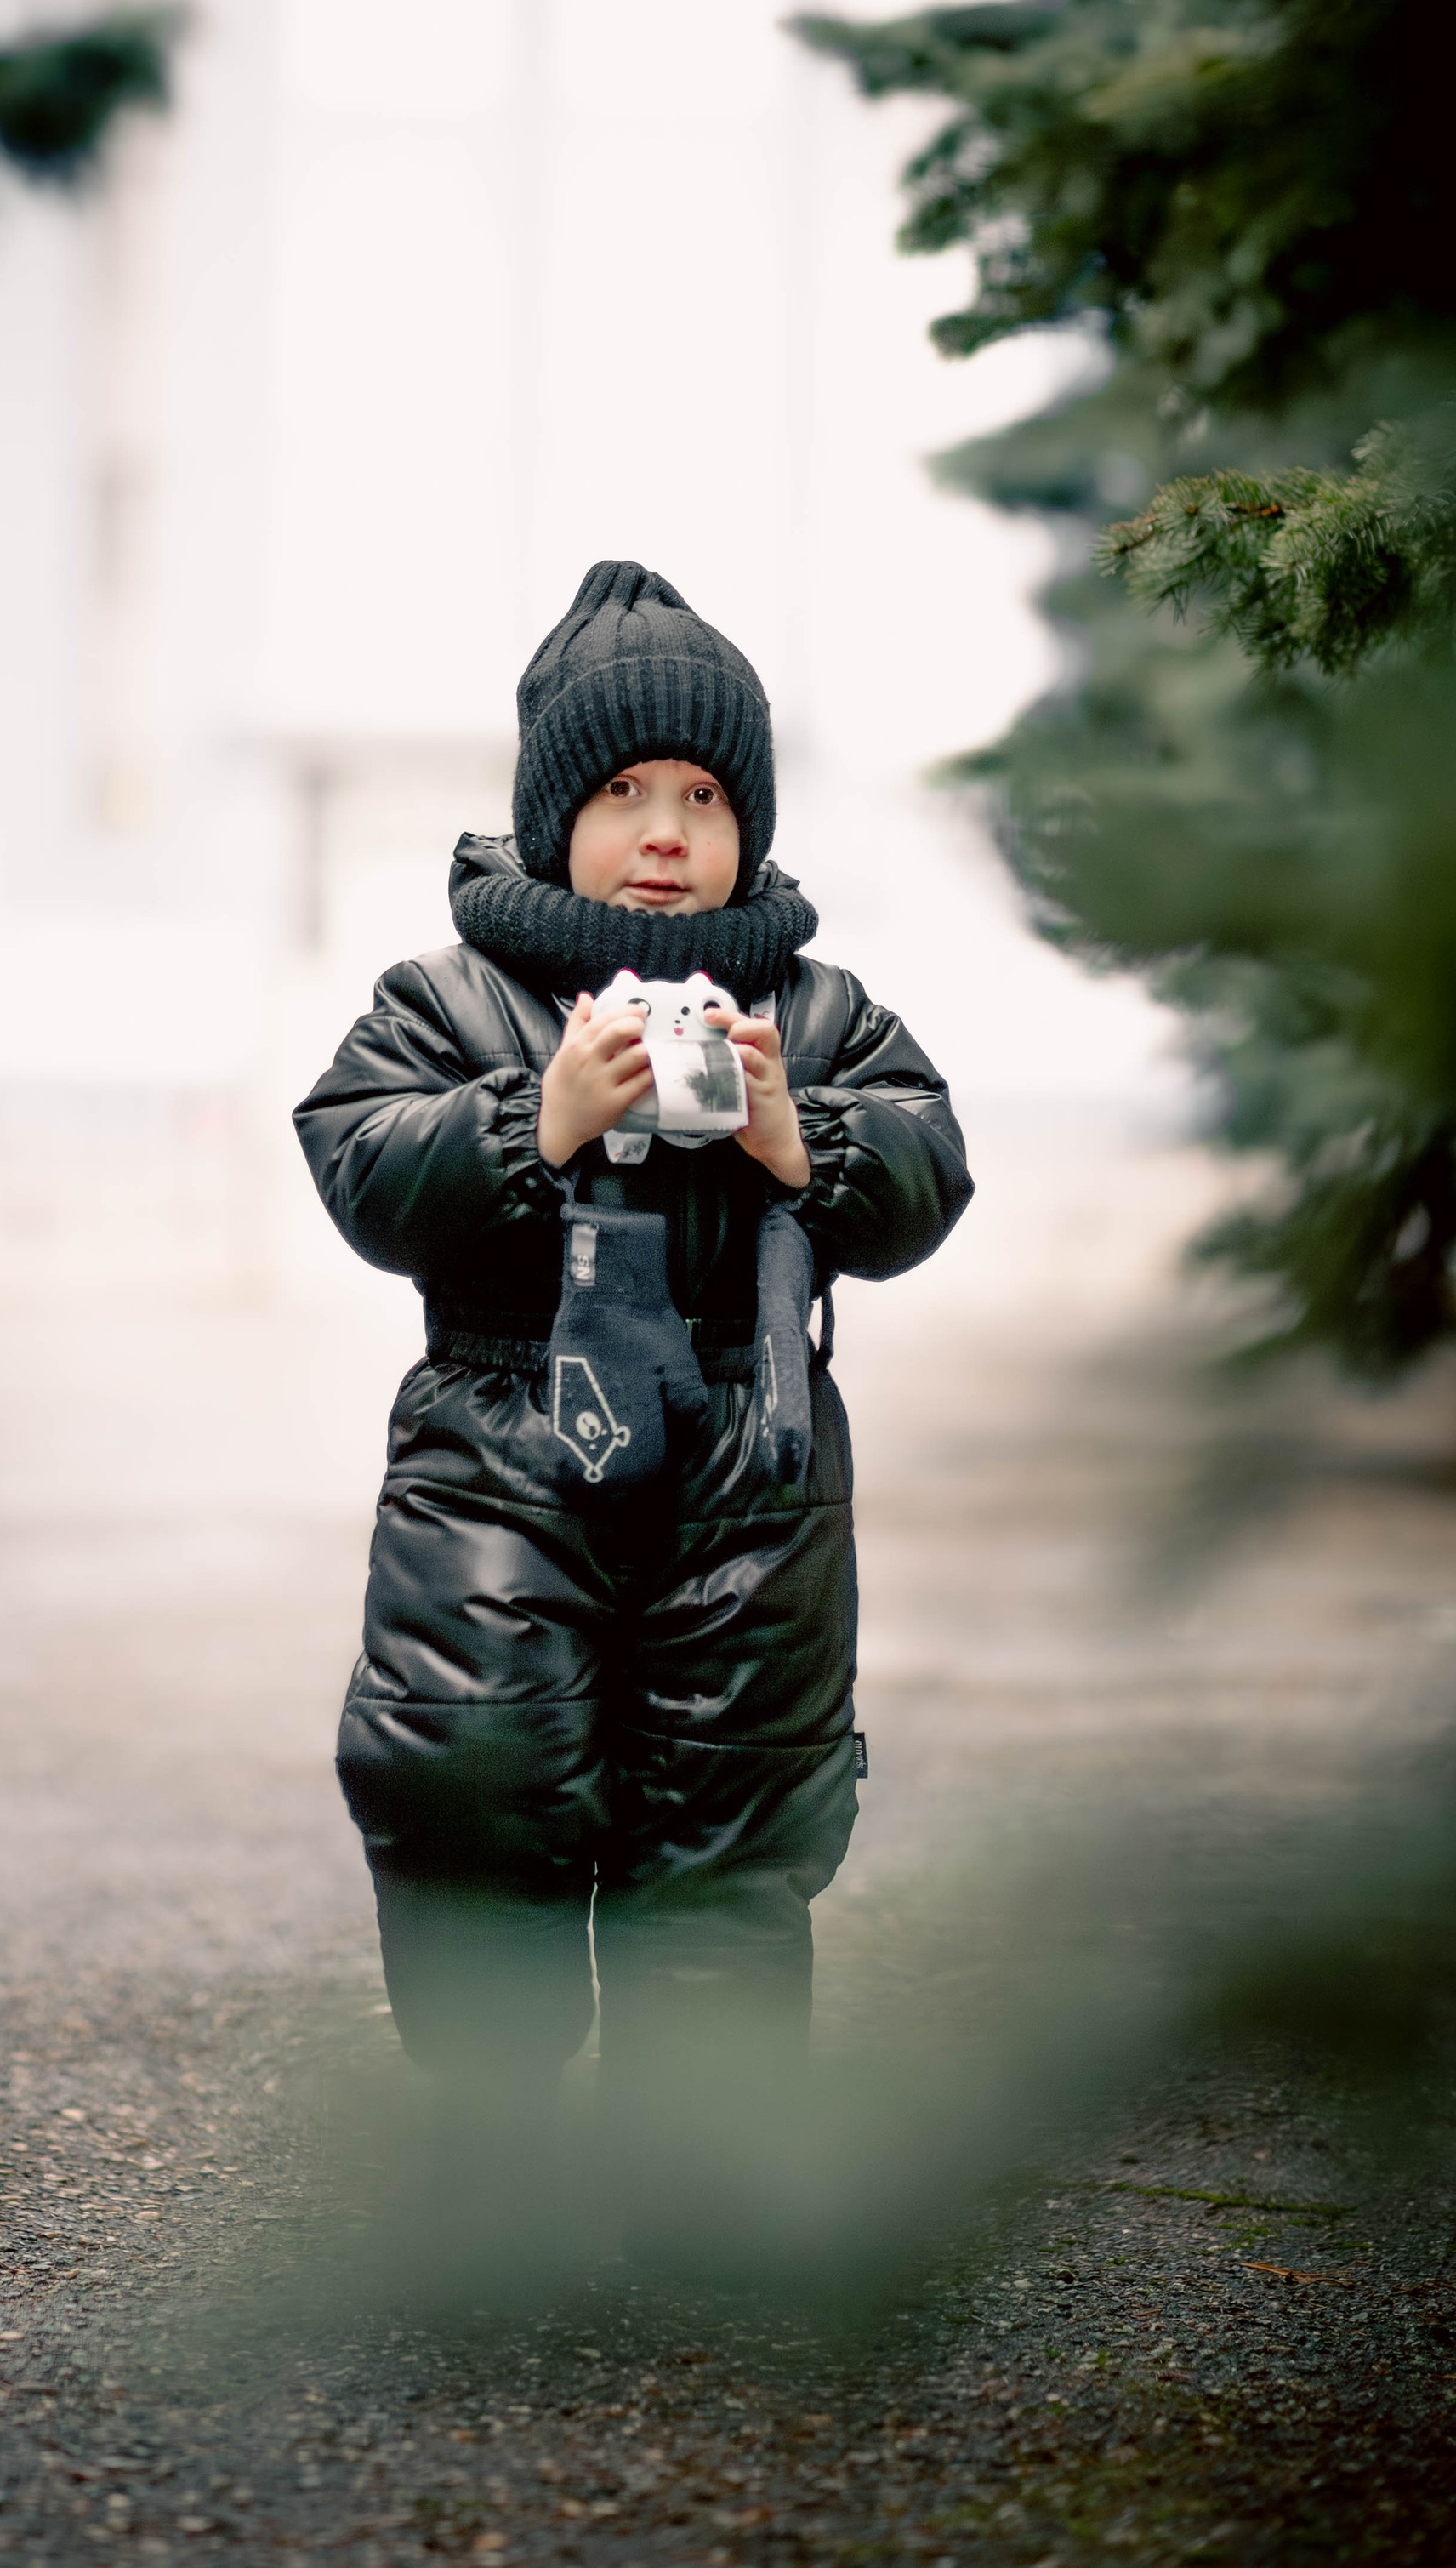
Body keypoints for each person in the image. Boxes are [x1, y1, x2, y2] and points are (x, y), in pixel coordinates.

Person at [293, 560, 970, 2255]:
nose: (663, 829)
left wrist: (796, 1137)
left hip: (748, 1496)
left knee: (729, 1832)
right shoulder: (447, 999)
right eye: (618, 793)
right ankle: (496, 2168)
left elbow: (929, 1171)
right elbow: (361, 1164)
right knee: (478, 1787)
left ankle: (704, 2174)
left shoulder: (806, 1011)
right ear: (547, 819)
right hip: (497, 1482)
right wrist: (530, 1119)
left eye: (701, 796)